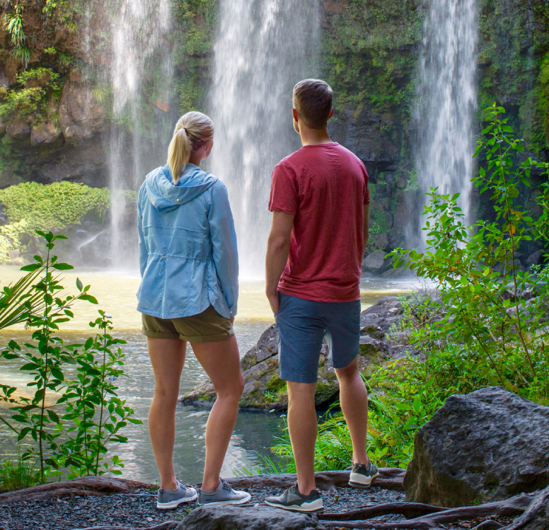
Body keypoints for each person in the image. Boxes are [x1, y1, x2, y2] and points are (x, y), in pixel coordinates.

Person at [262, 79, 376, 513]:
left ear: (295, 118)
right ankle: (362, 464)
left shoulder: (288, 169)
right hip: (345, 291)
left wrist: (271, 289)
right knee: (349, 373)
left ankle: (306, 491)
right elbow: (361, 230)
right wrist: (352, 273)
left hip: (302, 296)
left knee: (301, 392)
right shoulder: (354, 166)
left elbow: (278, 240)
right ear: (330, 115)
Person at [136, 111, 252, 510]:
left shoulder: (149, 183)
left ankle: (168, 487)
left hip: (154, 295)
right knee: (231, 388)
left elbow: (143, 246)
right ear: (207, 145)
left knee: (164, 391)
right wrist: (230, 305)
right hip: (198, 299)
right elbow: (225, 253)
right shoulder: (211, 188)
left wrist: (149, 285)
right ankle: (210, 484)